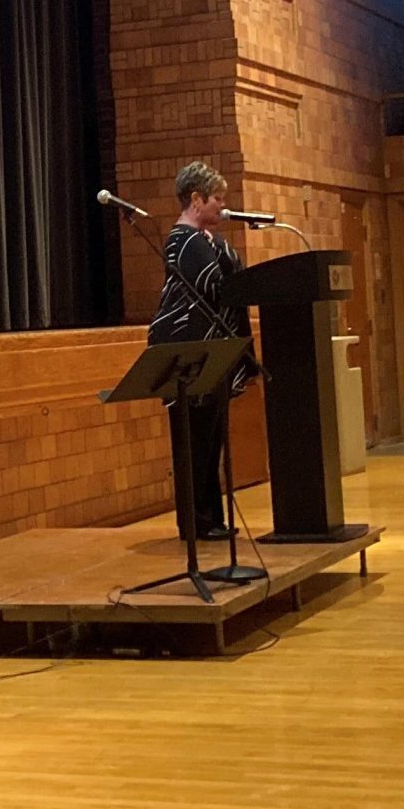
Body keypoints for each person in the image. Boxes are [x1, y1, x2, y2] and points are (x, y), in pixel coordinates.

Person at [146, 161, 254, 542]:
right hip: (189, 354)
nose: (224, 206)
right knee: (193, 442)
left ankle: (212, 518)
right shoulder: (182, 241)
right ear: (196, 199)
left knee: (211, 442)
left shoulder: (210, 241)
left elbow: (235, 276)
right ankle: (196, 522)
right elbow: (212, 285)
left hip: (214, 353)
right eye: (218, 199)